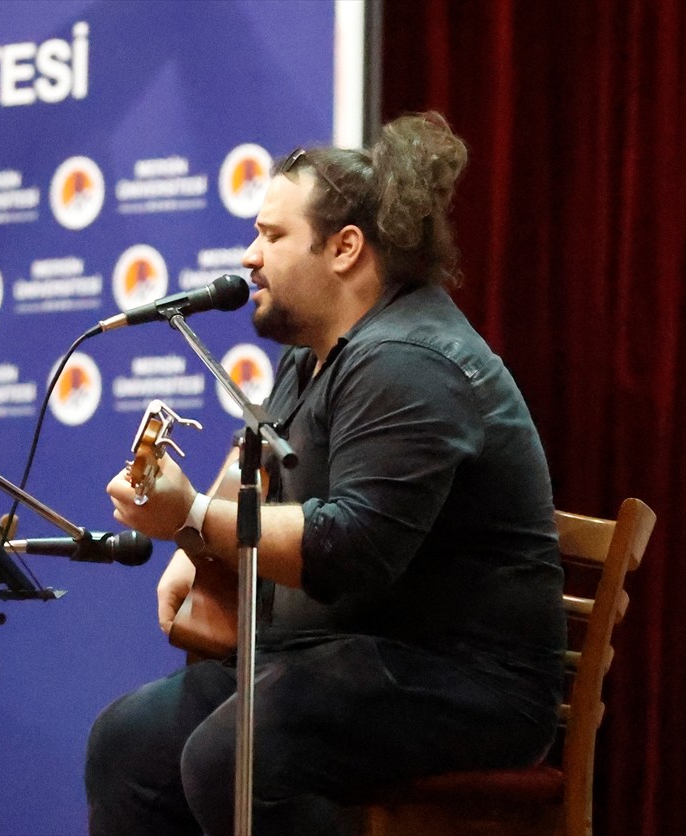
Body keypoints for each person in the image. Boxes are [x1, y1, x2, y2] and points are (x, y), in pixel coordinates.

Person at [86, 113, 566, 836]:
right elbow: (259, 454)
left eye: (272, 236)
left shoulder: (409, 361)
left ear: (345, 249)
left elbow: (349, 550)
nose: (249, 256)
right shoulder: (314, 353)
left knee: (236, 754)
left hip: (462, 679)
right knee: (129, 744)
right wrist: (201, 545)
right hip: (344, 656)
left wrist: (193, 519)